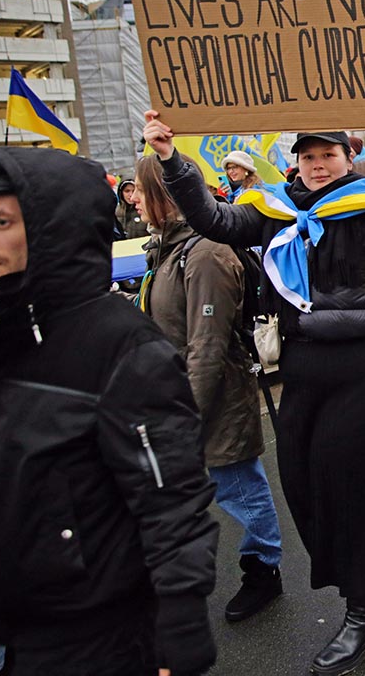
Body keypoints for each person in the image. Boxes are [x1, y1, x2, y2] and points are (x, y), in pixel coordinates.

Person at [143, 105, 365, 675]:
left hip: (362, 364)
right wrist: (169, 158)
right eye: (308, 156)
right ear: (294, 162)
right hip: (302, 364)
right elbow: (214, 220)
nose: (318, 165)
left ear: (347, 157)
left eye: (328, 154)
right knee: (305, 481)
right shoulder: (274, 211)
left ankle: (363, 611)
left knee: (356, 482)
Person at [0, 148, 218, 675]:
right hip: (15, 624)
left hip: (98, 635)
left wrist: (180, 626)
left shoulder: (122, 348)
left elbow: (171, 499)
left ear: (50, 227)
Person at [133, 154, 285, 624]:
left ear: (164, 194)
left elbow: (208, 343)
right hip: (177, 391)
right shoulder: (170, 247)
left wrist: (185, 413)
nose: (132, 198)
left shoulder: (206, 252)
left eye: (139, 189)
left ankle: (264, 569)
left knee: (238, 485)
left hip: (211, 393)